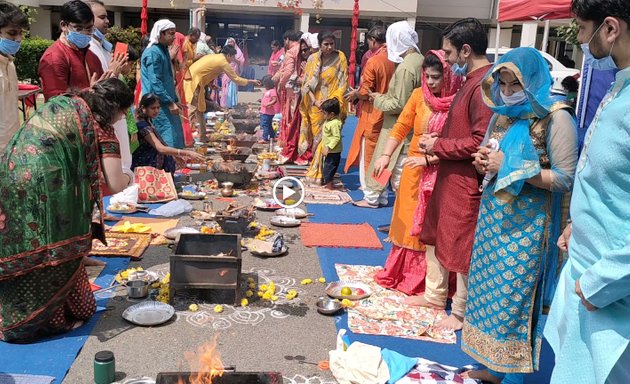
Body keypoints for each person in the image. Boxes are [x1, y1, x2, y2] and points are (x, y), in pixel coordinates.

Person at [457, 47, 578, 384]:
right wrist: (483, 161)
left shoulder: (556, 117)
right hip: (494, 222)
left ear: (534, 80)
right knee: (490, 297)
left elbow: (564, 178)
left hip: (528, 229)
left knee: (515, 301)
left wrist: (511, 168)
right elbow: (490, 155)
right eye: (504, 84)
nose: (508, 92)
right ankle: (494, 368)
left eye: (515, 85)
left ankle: (513, 377)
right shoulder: (502, 115)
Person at [0, 78, 134, 343]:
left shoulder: (67, 103)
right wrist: (133, 176)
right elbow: (116, 182)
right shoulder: (101, 126)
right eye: (124, 112)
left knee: (23, 242)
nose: (124, 117)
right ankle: (44, 320)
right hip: (48, 189)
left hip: (11, 172)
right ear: (116, 108)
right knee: (80, 298)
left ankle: (10, 313)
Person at [544, 2, 630, 383]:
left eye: (581, 29)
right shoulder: (619, 86)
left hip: (610, 294)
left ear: (610, 29)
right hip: (588, 277)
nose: (579, 40)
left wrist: (601, 283)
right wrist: (577, 223)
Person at [414, 18, 494, 331]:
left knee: (462, 246)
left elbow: (478, 140)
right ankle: (435, 296)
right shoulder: (471, 80)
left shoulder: (484, 83)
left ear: (465, 50)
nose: (446, 60)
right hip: (452, 174)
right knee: (440, 236)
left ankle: (460, 312)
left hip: (465, 179)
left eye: (449, 54)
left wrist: (440, 144)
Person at [371, 50, 462, 295]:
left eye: (436, 77)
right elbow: (401, 126)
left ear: (449, 76)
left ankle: (434, 285)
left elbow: (460, 141)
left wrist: (430, 159)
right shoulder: (417, 96)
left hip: (443, 169)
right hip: (414, 168)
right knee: (409, 221)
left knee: (434, 226)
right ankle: (407, 276)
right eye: (427, 77)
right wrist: (386, 155)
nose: (431, 82)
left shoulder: (459, 100)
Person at [354, 21, 423, 208]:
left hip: (396, 124)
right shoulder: (418, 60)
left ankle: (374, 198)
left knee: (391, 167)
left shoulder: (405, 66)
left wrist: (376, 98)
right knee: (390, 164)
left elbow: (399, 103)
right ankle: (379, 197)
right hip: (404, 123)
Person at [344, 24, 395, 196]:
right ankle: (381, 192)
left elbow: (366, 92)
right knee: (385, 154)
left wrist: (355, 94)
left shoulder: (375, 60)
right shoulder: (395, 58)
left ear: (373, 41)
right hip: (390, 114)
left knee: (370, 154)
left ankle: (370, 193)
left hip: (373, 113)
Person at [298, 30, 348, 185]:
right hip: (316, 106)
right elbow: (306, 85)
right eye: (325, 44)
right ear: (319, 45)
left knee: (327, 138)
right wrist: (315, 101)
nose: (329, 47)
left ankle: (320, 173)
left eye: (332, 44)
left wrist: (332, 101)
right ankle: (316, 167)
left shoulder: (340, 58)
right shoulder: (313, 59)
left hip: (332, 105)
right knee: (316, 138)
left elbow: (343, 83)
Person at [38, 0, 112, 101]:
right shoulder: (54, 58)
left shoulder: (91, 56)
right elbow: (56, 103)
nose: (85, 33)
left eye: (89, 29)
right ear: (64, 25)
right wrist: (90, 92)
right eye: (79, 28)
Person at [183, 44, 259, 141]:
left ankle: (203, 136)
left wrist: (210, 83)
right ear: (228, 55)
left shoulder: (215, 56)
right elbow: (235, 78)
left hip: (197, 82)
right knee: (192, 111)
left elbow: (206, 70)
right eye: (232, 57)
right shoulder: (222, 61)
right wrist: (250, 81)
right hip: (193, 82)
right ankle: (186, 138)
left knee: (200, 110)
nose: (232, 60)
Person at [132, 93, 204, 174]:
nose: (156, 111)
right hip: (145, 163)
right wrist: (187, 153)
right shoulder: (142, 125)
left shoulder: (148, 120)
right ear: (143, 108)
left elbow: (162, 142)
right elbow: (161, 148)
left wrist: (175, 155)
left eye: (158, 108)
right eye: (153, 108)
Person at [141, 19, 184, 149]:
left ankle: (173, 166)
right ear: (160, 34)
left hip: (166, 102)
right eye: (171, 34)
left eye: (174, 34)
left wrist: (175, 100)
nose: (173, 37)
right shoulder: (153, 52)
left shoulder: (163, 50)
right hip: (157, 105)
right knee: (166, 137)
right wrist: (170, 102)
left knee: (175, 135)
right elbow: (155, 82)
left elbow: (168, 78)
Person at [273, 29, 304, 164]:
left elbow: (288, 71)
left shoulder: (292, 51)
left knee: (290, 120)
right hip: (302, 88)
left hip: (292, 90)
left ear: (287, 40)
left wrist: (280, 84)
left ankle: (290, 150)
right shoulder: (303, 49)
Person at [0, 2, 28, 153]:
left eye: (20, 33)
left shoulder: (10, 64)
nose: (18, 38)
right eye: (12, 33)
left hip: (11, 147)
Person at [320, 98, 343, 190]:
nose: (323, 115)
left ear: (332, 114)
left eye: (325, 113)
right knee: (327, 167)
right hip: (329, 150)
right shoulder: (330, 121)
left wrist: (328, 147)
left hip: (333, 151)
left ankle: (330, 186)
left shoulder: (334, 123)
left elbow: (336, 137)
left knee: (328, 169)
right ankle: (329, 183)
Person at [86, 0, 112, 72]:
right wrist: (113, 72)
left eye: (106, 17)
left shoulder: (104, 46)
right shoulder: (87, 47)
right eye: (102, 17)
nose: (107, 21)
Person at [220, 37, 245, 109]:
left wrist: (235, 59)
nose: (230, 43)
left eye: (231, 42)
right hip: (225, 71)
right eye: (229, 42)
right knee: (225, 87)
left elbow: (242, 61)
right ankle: (225, 104)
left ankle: (232, 104)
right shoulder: (224, 52)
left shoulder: (238, 51)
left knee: (232, 87)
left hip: (234, 71)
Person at [259, 75, 280, 143]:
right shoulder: (266, 90)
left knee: (265, 125)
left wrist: (269, 104)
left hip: (268, 112)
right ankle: (272, 137)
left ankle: (265, 138)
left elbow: (275, 100)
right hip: (264, 111)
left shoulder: (272, 91)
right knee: (269, 125)